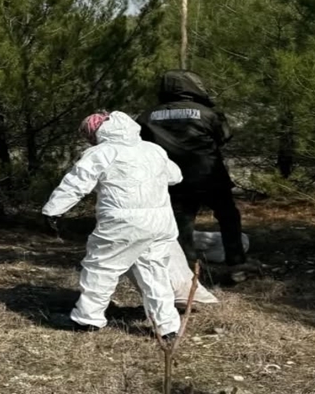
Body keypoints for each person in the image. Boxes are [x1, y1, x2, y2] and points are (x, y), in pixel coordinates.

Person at [42, 111, 183, 343]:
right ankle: (166, 326)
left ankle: (87, 319)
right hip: (161, 222)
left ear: (97, 132)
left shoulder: (101, 152)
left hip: (122, 222)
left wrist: (52, 211)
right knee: (154, 270)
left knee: (101, 267)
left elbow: (76, 184)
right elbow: (175, 176)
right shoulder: (152, 149)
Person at [141, 69, 246, 267]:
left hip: (173, 179)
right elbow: (223, 137)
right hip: (209, 175)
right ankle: (236, 263)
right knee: (228, 216)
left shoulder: (147, 116)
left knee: (182, 222)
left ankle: (187, 265)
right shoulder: (207, 113)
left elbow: (142, 145)